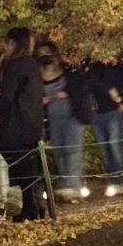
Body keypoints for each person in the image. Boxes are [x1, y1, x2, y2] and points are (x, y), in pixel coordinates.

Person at [0, 25, 48, 218]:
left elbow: (8, 96)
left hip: (16, 122)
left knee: (19, 165)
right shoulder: (31, 64)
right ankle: (34, 205)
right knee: (30, 166)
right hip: (33, 120)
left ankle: (29, 208)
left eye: (7, 42)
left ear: (14, 43)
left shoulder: (14, 66)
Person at [39, 43, 86, 195]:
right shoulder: (38, 74)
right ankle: (65, 182)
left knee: (72, 147)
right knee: (58, 148)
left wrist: (67, 93)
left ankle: (73, 184)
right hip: (53, 114)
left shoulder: (67, 69)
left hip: (72, 112)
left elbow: (80, 86)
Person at [88, 54, 123, 176]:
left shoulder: (119, 67)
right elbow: (92, 82)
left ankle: (122, 174)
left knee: (113, 143)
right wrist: (109, 90)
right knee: (103, 148)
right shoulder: (94, 66)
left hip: (113, 110)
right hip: (97, 112)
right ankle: (113, 177)